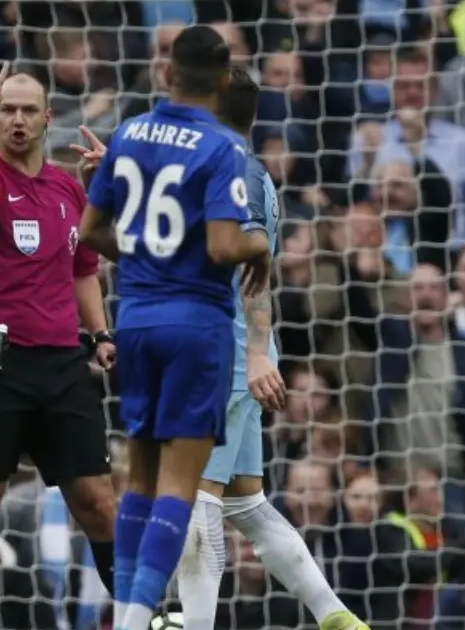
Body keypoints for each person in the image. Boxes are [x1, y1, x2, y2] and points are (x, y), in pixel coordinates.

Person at [77, 25, 271, 630]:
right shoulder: (223, 147)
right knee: (181, 488)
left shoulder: (129, 134)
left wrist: (146, 259)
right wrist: (260, 245)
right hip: (195, 327)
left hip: (135, 320)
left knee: (137, 479)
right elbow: (222, 246)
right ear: (223, 81)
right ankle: (134, 622)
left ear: (166, 73)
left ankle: (126, 616)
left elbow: (89, 232)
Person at [175, 67, 371, 630]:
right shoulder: (228, 167)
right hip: (233, 356)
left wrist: (257, 353)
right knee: (246, 503)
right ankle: (336, 617)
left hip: (229, 359)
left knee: (197, 501)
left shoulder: (235, 171)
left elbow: (254, 268)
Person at [0, 56, 118, 630]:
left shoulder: (67, 188)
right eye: (7, 110)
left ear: (46, 118)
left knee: (99, 505)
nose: (16, 119)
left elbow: (83, 270)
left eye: (27, 111)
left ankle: (143, 619)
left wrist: (101, 333)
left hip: (63, 365)